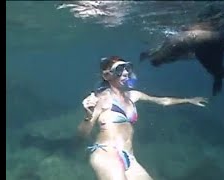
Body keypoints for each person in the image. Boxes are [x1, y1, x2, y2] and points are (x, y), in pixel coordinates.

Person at [78, 56, 208, 180]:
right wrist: (87, 116)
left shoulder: (133, 95)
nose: (125, 73)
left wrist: (188, 100)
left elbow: (163, 101)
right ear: (107, 75)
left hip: (130, 157)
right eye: (119, 69)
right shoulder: (101, 99)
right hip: (107, 154)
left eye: (127, 68)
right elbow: (82, 135)